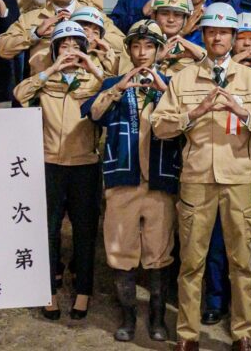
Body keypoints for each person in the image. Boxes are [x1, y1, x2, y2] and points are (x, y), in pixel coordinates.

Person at [150, 1, 251, 351]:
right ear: (204, 35)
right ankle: (187, 336)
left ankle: (243, 334)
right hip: (196, 178)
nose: (218, 37)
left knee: (242, 262)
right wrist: (195, 113)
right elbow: (160, 126)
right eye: (211, 31)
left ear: (235, 37)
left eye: (224, 32)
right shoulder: (183, 78)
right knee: (191, 262)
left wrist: (242, 112)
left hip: (239, 177)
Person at [84, 20, 183, 344]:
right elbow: (95, 114)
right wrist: (117, 87)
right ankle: (127, 316)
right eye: (137, 47)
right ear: (128, 50)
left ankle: (156, 317)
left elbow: (187, 118)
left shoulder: (171, 85)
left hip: (159, 182)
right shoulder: (115, 82)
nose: (142, 53)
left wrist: (163, 89)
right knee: (120, 250)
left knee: (159, 251)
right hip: (122, 181)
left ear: (158, 52)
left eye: (149, 47)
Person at [16, 20, 106, 320]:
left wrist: (90, 64)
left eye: (76, 47)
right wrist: (51, 70)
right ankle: (48, 292)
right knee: (48, 230)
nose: (70, 51)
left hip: (85, 165)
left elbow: (112, 89)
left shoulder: (92, 82)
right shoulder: (45, 83)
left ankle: (83, 292)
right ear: (54, 50)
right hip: (49, 164)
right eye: (63, 46)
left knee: (84, 230)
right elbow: (20, 93)